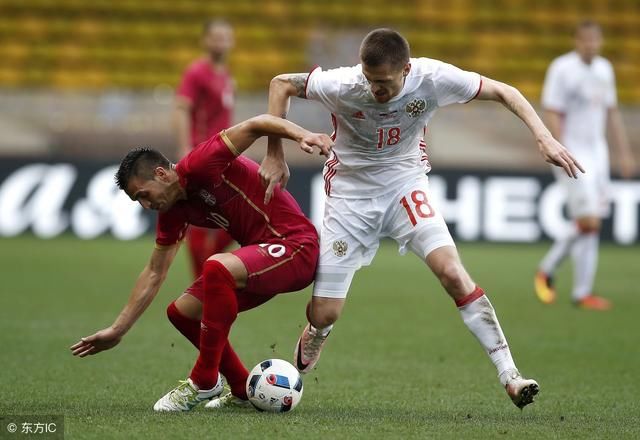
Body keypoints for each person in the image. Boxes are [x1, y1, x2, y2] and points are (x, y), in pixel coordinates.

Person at [261, 28, 585, 409]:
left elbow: (504, 91)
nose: (375, 90)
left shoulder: (433, 78)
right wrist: (274, 153)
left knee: (452, 273)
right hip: (350, 196)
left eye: (383, 83)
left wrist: (543, 136)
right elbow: (280, 84)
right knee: (325, 312)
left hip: (405, 185)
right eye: (369, 79)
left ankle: (510, 375)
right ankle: (318, 331)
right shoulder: (344, 84)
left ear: (406, 70)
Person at [70, 114, 332, 412]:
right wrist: (119, 329)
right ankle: (241, 389)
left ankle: (204, 380)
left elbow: (256, 124)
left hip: (296, 247)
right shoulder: (172, 210)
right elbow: (155, 271)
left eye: (143, 195)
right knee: (182, 312)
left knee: (217, 267)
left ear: (161, 173)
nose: (145, 205)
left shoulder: (200, 163)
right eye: (138, 201)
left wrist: (301, 135)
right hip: (265, 256)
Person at [535, 20, 635, 311]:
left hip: (598, 154)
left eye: (595, 40)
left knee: (592, 224)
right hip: (572, 153)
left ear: (600, 42)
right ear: (576, 41)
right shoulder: (562, 69)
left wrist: (624, 152)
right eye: (585, 40)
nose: (590, 45)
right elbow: (552, 110)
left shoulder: (605, 69)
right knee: (589, 221)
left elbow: (611, 111)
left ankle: (582, 292)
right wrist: (558, 148)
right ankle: (547, 268)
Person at [175, 19, 235, 279]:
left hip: (222, 155)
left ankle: (204, 276)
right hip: (202, 154)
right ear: (205, 40)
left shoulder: (226, 75)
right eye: (216, 37)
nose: (221, 42)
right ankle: (200, 281)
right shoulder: (196, 72)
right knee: (201, 215)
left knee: (234, 216)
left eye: (226, 37)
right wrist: (184, 148)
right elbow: (181, 108)